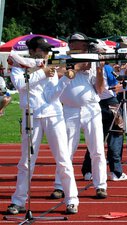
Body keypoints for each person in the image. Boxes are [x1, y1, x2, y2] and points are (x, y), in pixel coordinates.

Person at [7, 36, 79, 215]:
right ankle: (19, 200)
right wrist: (42, 72)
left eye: (47, 50)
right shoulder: (18, 65)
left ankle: (71, 199)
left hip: (53, 114)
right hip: (31, 115)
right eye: (42, 50)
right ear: (31, 52)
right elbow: (20, 85)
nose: (46, 53)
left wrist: (66, 79)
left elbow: (53, 95)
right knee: (26, 161)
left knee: (63, 158)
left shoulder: (49, 66)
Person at [50, 32, 108, 200]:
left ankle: (100, 185)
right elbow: (56, 71)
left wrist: (99, 69)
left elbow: (100, 89)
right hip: (69, 109)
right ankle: (60, 186)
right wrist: (77, 66)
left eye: (83, 44)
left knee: (97, 149)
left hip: (91, 108)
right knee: (66, 150)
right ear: (72, 44)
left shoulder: (91, 60)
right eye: (78, 43)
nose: (82, 46)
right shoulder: (62, 58)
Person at [81, 61, 127, 181]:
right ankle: (115, 171)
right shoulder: (106, 68)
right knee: (116, 136)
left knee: (94, 138)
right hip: (110, 104)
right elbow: (115, 86)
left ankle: (88, 170)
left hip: (93, 104)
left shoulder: (83, 67)